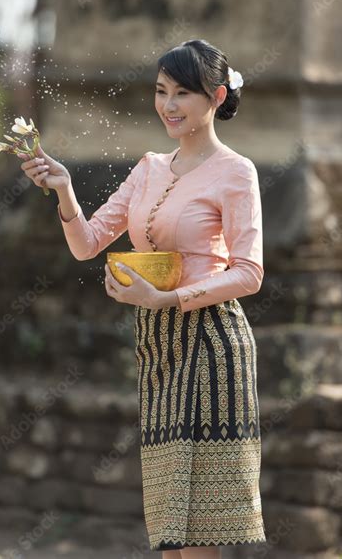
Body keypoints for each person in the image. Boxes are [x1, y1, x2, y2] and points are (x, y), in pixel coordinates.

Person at [19, 38, 267, 558]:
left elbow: (248, 273)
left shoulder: (236, 172)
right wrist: (64, 190)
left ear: (217, 97)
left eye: (183, 93)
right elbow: (88, 245)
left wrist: (168, 300)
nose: (168, 106)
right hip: (158, 348)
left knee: (199, 532)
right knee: (170, 531)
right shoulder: (149, 166)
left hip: (212, 346)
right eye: (160, 91)